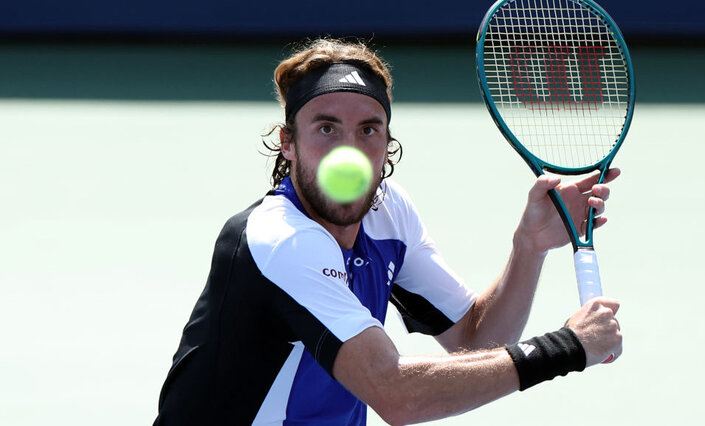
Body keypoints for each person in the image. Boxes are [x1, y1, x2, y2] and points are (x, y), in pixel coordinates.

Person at [153, 38, 622, 426]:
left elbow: (475, 340)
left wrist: (530, 247)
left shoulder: (388, 213)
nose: (349, 153)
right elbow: (396, 394)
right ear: (288, 143)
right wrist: (566, 347)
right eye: (327, 128)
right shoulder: (281, 239)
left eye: (368, 130)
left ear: (386, 144)